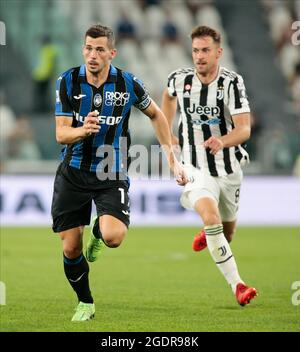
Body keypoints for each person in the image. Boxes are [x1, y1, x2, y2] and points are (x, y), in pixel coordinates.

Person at [52, 24, 186, 322]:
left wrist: (172, 159)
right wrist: (82, 130)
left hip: (110, 171)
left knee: (114, 236)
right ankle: (85, 302)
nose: (92, 55)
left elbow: (156, 114)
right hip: (73, 172)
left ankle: (99, 232)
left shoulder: (127, 84)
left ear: (112, 53)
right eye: (88, 48)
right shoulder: (68, 81)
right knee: (71, 248)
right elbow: (61, 135)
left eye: (100, 49)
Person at [161, 25, 257, 306]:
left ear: (218, 52)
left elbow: (244, 129)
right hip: (195, 167)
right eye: (195, 51)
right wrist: (168, 133)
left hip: (229, 169)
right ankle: (238, 286)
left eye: (205, 50)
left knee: (226, 234)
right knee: (212, 218)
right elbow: (167, 97)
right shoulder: (179, 79)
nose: (199, 56)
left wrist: (222, 141)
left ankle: (209, 232)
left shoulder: (231, 83)